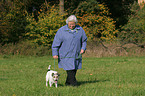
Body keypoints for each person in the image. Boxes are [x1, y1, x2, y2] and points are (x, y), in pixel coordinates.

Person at [52, 15, 87, 86]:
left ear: (76, 23)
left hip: (76, 54)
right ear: (67, 23)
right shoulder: (61, 31)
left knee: (74, 70)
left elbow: (84, 41)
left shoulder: (80, 30)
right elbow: (55, 43)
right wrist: (55, 53)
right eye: (70, 24)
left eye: (73, 24)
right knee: (70, 70)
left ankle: (68, 83)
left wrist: (83, 48)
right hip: (65, 55)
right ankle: (74, 84)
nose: (71, 26)